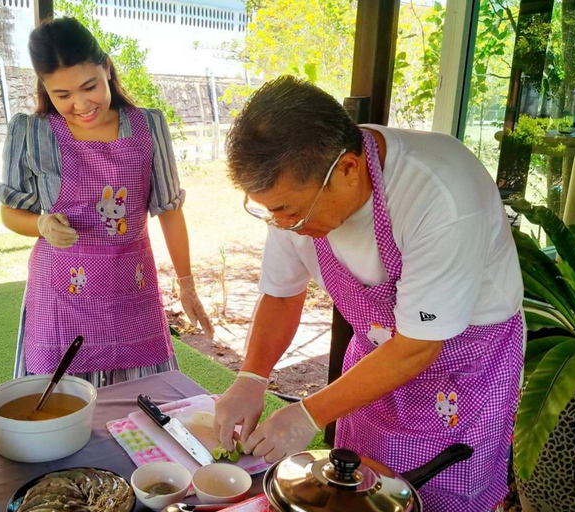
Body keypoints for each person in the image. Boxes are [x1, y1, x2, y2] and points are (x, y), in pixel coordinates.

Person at [214, 76, 523, 512]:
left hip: (464, 370)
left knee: (438, 496)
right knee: (355, 488)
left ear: (348, 169)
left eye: (292, 211)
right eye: (271, 211)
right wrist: (251, 377)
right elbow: (283, 296)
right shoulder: (292, 198)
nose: (284, 224)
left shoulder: (440, 194)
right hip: (375, 365)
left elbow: (417, 347)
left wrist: (306, 413)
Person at [0, 17, 214, 387]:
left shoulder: (148, 126)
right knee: (59, 411)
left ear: (107, 69)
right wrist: (41, 224)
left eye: (89, 86)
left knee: (141, 407)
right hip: (60, 299)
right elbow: (9, 212)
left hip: (132, 289)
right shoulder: (31, 133)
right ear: (44, 88)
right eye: (61, 95)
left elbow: (169, 210)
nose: (80, 104)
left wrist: (186, 282)